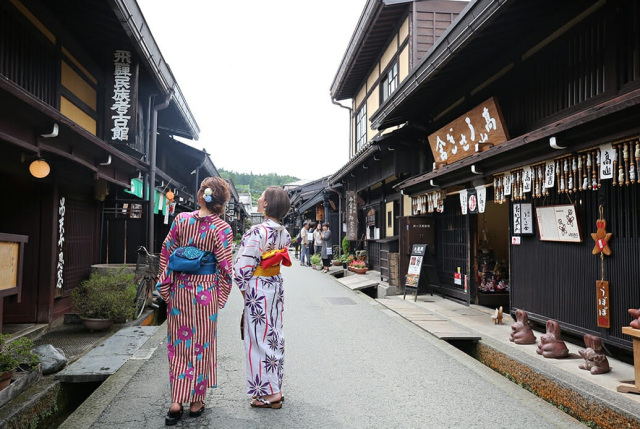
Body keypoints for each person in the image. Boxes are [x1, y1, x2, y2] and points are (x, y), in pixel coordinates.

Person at [156, 177, 233, 426]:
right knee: (201, 345)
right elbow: (225, 267)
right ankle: (196, 401)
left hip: (180, 290)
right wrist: (221, 295)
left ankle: (176, 401)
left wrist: (166, 287)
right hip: (205, 292)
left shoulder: (181, 220)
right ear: (221, 202)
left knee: (178, 345)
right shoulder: (222, 228)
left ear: (200, 195)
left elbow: (167, 252)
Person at [233, 186, 291, 409]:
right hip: (274, 286)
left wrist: (245, 293)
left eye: (262, 197)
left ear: (266, 204)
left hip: (258, 289)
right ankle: (275, 386)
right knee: (274, 336)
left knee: (258, 340)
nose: (258, 199)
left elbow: (241, 268)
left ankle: (270, 394)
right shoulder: (283, 232)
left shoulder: (257, 232)